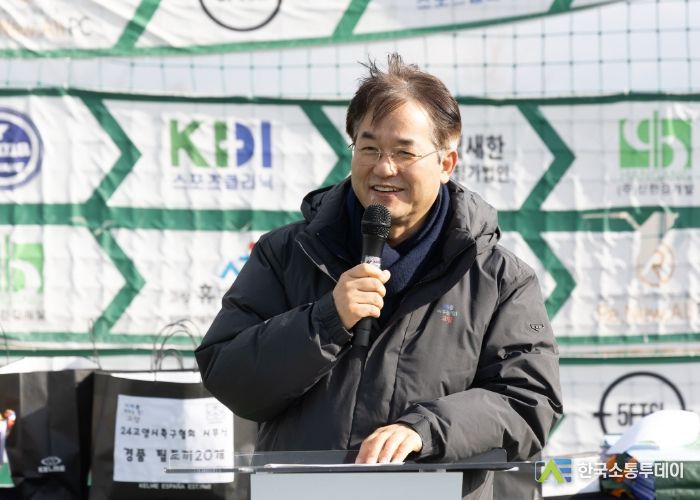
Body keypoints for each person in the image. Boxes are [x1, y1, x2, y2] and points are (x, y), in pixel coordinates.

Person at [196, 53, 563, 498]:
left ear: (446, 163)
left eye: (404, 152)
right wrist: (326, 320)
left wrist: (427, 430)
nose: (384, 168)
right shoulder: (287, 253)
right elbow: (229, 376)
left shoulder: (499, 279)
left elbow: (528, 402)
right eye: (369, 148)